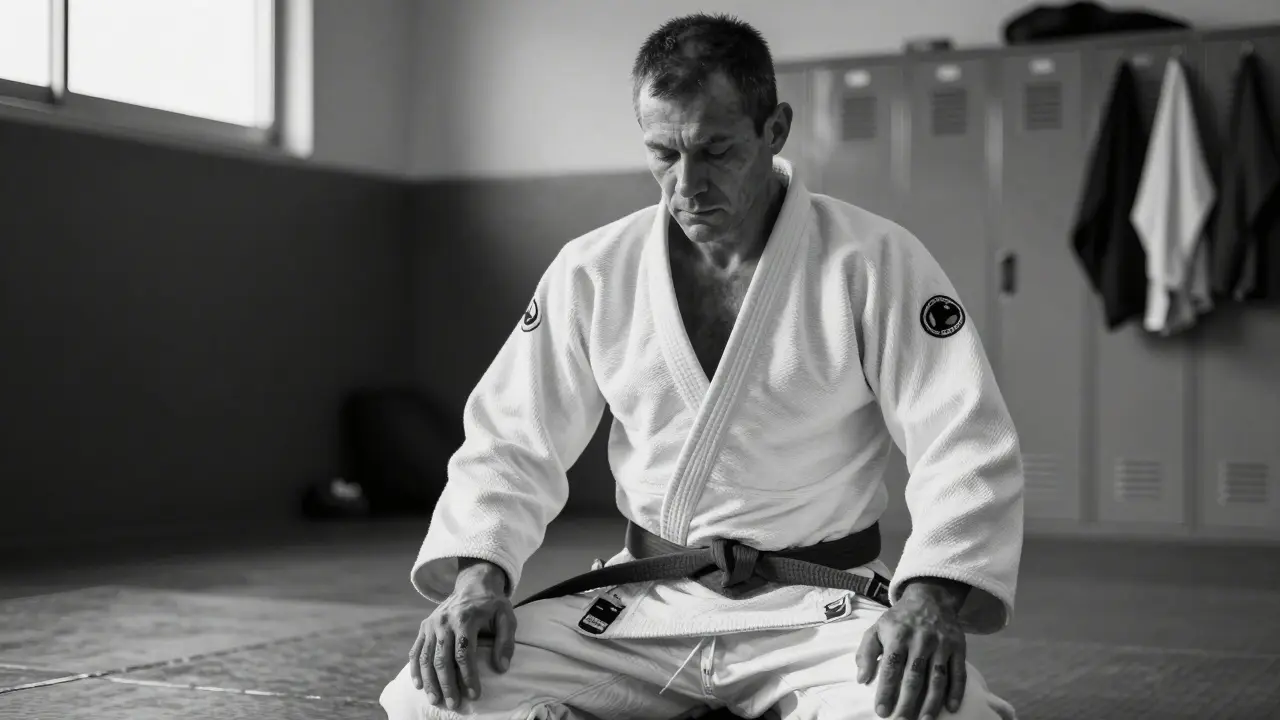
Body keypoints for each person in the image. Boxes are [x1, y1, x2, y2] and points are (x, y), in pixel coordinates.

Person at [380, 12, 1024, 720]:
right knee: (428, 695)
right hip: (649, 602)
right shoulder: (595, 269)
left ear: (774, 130)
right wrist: (479, 579)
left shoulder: (873, 261)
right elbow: (512, 438)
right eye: (663, 153)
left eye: (717, 151)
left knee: (943, 714)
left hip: (818, 605)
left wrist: (927, 597)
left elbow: (961, 438)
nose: (686, 184)